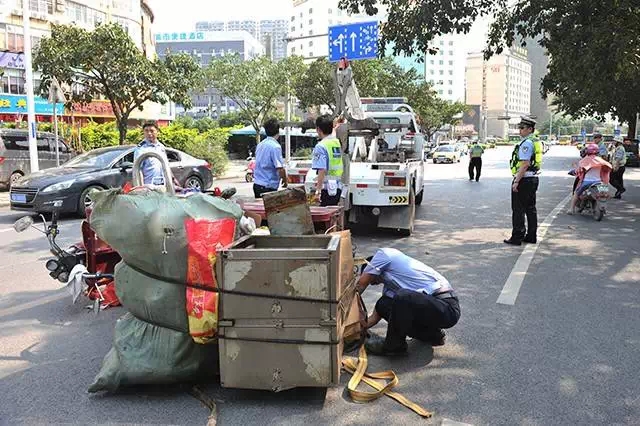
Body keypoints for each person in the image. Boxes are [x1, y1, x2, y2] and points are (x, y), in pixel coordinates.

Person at [356, 248, 460, 356]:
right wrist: (354, 329)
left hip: (446, 307)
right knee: (383, 304)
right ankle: (431, 335)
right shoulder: (389, 288)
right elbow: (374, 317)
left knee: (403, 296)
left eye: (370, 276)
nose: (372, 283)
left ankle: (394, 347)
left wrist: (348, 305)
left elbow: (361, 284)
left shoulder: (385, 254)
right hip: (428, 310)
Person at [504, 116, 542, 246]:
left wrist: (516, 181)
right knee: (531, 209)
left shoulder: (526, 143)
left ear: (530, 129)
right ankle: (531, 236)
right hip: (533, 178)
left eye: (522, 128)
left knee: (518, 209)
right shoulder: (536, 141)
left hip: (524, 179)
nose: (519, 130)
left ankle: (517, 237)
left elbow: (524, 164)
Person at [568, 143, 612, 214]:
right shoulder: (601, 161)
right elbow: (608, 168)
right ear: (598, 152)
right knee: (604, 193)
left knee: (576, 193)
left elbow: (578, 171)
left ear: (587, 151)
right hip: (599, 182)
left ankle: (571, 209)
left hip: (587, 182)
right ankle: (603, 209)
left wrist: (574, 172)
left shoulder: (584, 160)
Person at [312, 114, 344, 206]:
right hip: (337, 188)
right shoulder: (336, 142)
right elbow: (333, 131)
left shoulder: (321, 146)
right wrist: (337, 123)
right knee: (332, 217)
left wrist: (318, 191)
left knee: (323, 218)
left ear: (318, 129)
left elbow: (322, 169)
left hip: (326, 189)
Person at [252, 118, 287, 198]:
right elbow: (280, 168)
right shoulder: (275, 146)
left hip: (257, 184)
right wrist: (285, 180)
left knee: (260, 209)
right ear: (278, 131)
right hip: (268, 187)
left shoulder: (260, 144)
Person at [134, 122, 173, 187]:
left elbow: (166, 166)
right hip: (149, 187)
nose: (149, 133)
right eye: (146, 131)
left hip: (163, 186)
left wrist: (173, 181)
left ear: (157, 131)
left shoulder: (161, 147)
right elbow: (138, 170)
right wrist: (141, 187)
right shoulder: (140, 149)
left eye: (152, 131)